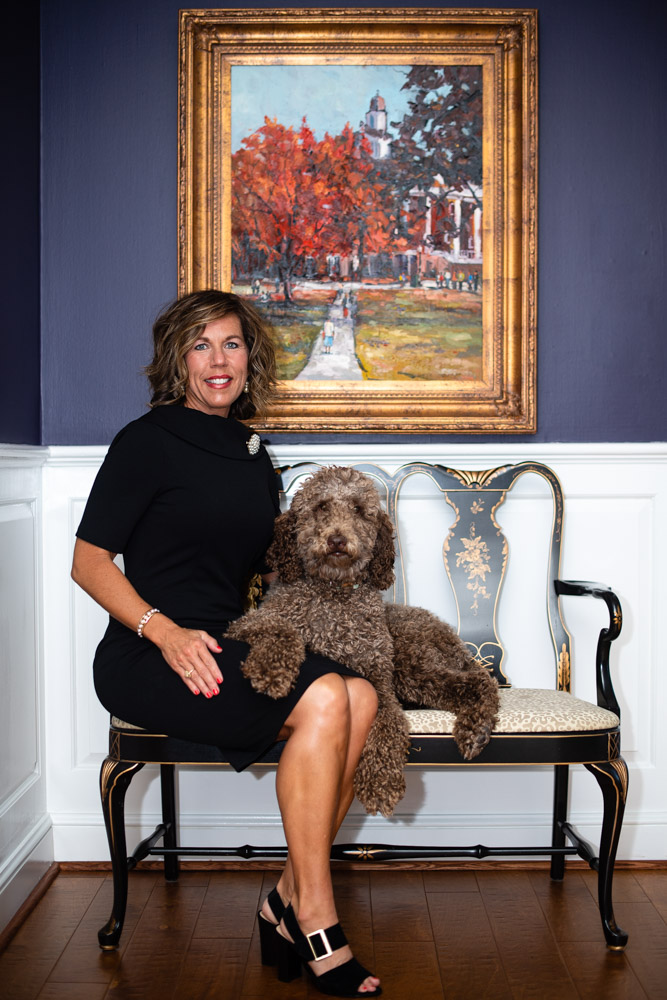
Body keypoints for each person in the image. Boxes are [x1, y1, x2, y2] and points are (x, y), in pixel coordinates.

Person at [71, 290, 382, 997]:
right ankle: (316, 919)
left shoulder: (252, 451)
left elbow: (254, 570)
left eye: (232, 344)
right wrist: (164, 631)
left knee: (359, 692)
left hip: (226, 640)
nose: (219, 360)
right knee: (328, 699)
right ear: (177, 359)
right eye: (202, 344)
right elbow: (87, 562)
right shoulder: (143, 441)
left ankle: (280, 898)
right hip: (148, 651)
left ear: (250, 358)